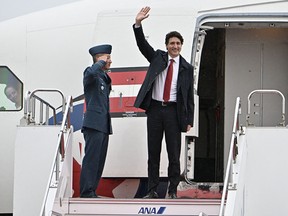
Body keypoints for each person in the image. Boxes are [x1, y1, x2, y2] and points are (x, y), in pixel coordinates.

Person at [133, 7, 194, 199]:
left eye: (177, 43)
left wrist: (189, 119)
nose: (174, 46)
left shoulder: (186, 67)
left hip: (174, 113)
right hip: (155, 110)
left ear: (181, 45)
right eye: (171, 43)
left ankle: (173, 190)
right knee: (153, 152)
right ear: (166, 45)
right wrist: (138, 24)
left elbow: (190, 96)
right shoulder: (157, 57)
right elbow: (142, 45)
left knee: (174, 154)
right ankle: (151, 190)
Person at [80, 44, 113, 198]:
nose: (110, 61)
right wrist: (100, 62)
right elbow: (91, 72)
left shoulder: (104, 77)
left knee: (99, 161)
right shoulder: (90, 73)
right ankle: (86, 192)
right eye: (108, 58)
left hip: (103, 124)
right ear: (99, 58)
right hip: (93, 123)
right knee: (91, 159)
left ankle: (92, 190)